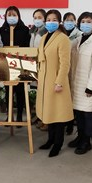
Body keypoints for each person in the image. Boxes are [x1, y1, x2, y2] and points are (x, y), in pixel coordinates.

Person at [36, 10, 74, 157]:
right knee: (49, 113)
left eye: (54, 19)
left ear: (59, 22)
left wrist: (59, 82)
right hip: (44, 82)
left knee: (58, 116)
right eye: (48, 19)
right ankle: (50, 140)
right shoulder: (44, 37)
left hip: (56, 83)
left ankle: (57, 144)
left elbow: (65, 63)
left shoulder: (63, 38)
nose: (51, 22)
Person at [67, 12, 92, 154]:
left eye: (88, 22)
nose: (85, 24)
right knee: (79, 113)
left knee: (88, 114)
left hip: (88, 86)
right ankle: (80, 137)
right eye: (83, 21)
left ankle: (86, 141)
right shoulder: (77, 40)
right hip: (76, 84)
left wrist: (91, 87)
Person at [0, 6, 31, 123]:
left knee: (20, 91)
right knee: (8, 90)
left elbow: (28, 48)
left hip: (21, 64)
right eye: (9, 15)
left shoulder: (25, 30)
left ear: (18, 16)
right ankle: (9, 115)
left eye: (14, 15)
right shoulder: (2, 30)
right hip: (6, 65)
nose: (11, 17)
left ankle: (19, 115)